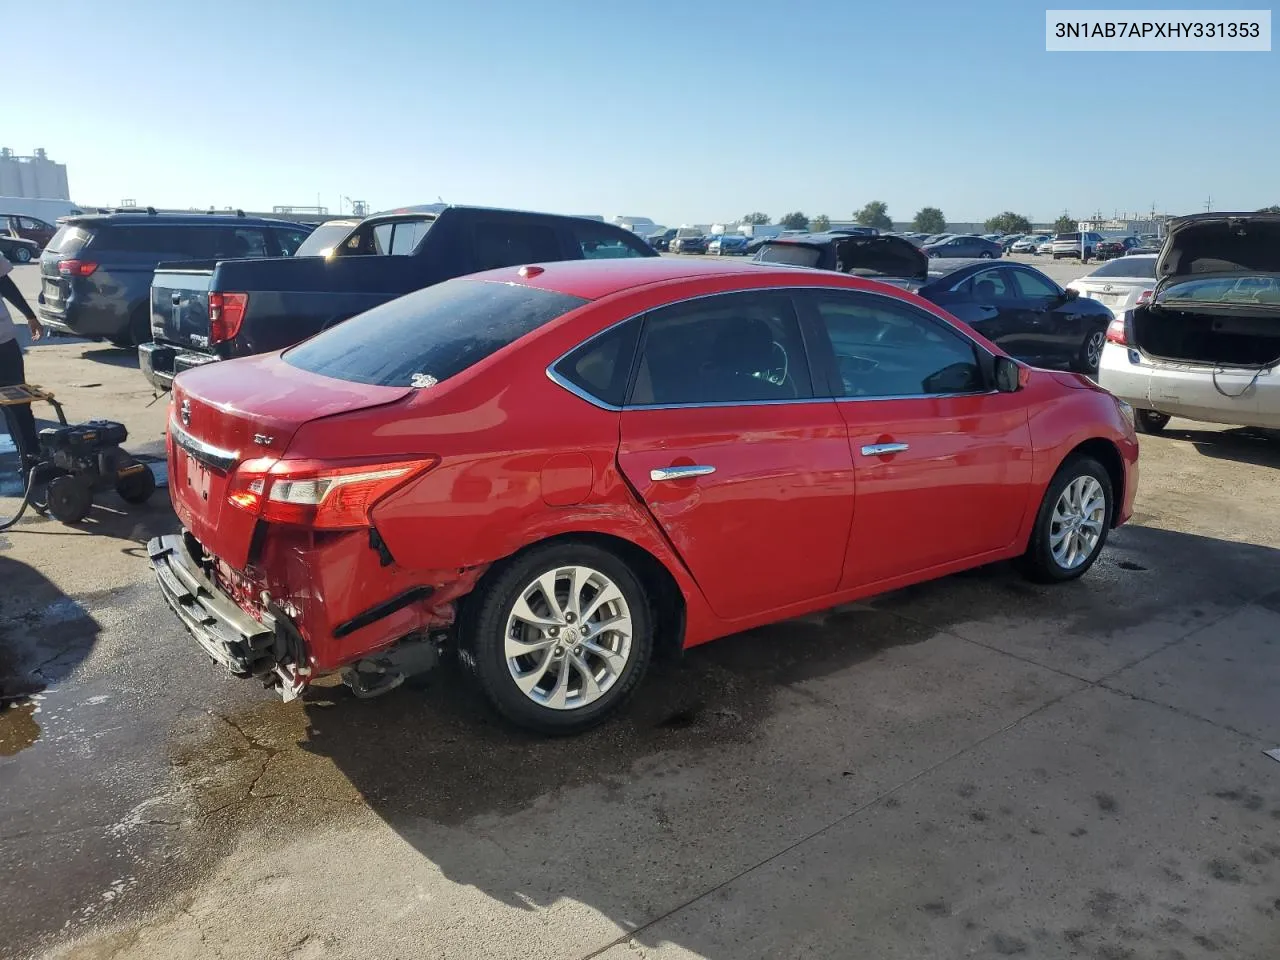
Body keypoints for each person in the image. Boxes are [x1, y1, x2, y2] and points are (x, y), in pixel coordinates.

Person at [0, 251, 44, 467]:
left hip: (3, 341)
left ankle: (29, 454)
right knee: (15, 402)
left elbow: (3, 282)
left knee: (16, 399)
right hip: (4, 340)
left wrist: (30, 315)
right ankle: (29, 453)